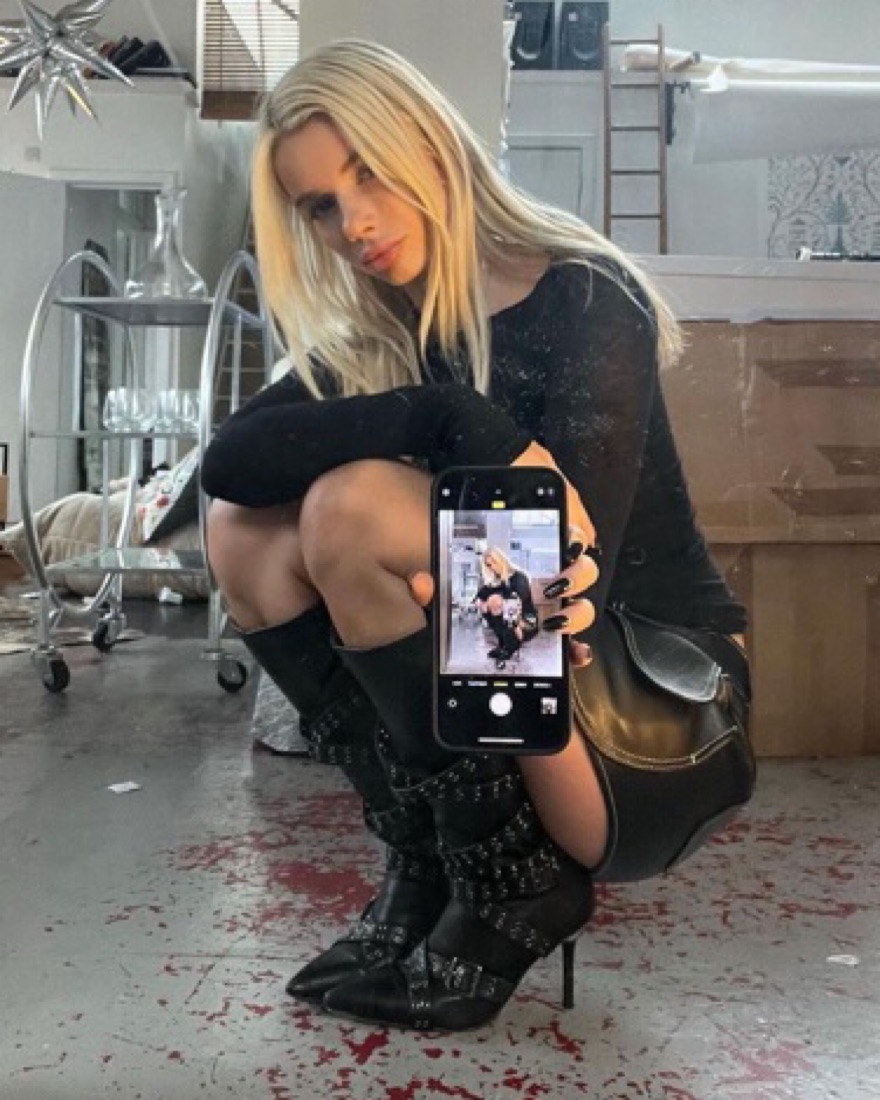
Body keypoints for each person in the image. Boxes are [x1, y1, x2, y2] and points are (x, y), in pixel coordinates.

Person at [201, 39, 754, 1032]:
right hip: (517, 697)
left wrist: (426, 569)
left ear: (430, 144)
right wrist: (446, 416)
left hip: (651, 711)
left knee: (351, 508)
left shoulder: (585, 294)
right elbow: (231, 465)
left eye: (369, 172)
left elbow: (562, 591)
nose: (353, 223)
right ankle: (431, 856)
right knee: (247, 532)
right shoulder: (391, 333)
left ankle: (510, 882)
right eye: (321, 206)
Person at [475, 547, 539, 665]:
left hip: (527, 620)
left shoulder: (518, 577)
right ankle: (503, 643)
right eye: (488, 565)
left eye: (494, 562)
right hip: (510, 618)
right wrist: (481, 602)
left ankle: (511, 645)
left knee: (500, 602)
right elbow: (481, 595)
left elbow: (519, 598)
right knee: (487, 603)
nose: (492, 567)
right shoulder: (496, 581)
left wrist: (496, 600)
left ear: (501, 560)